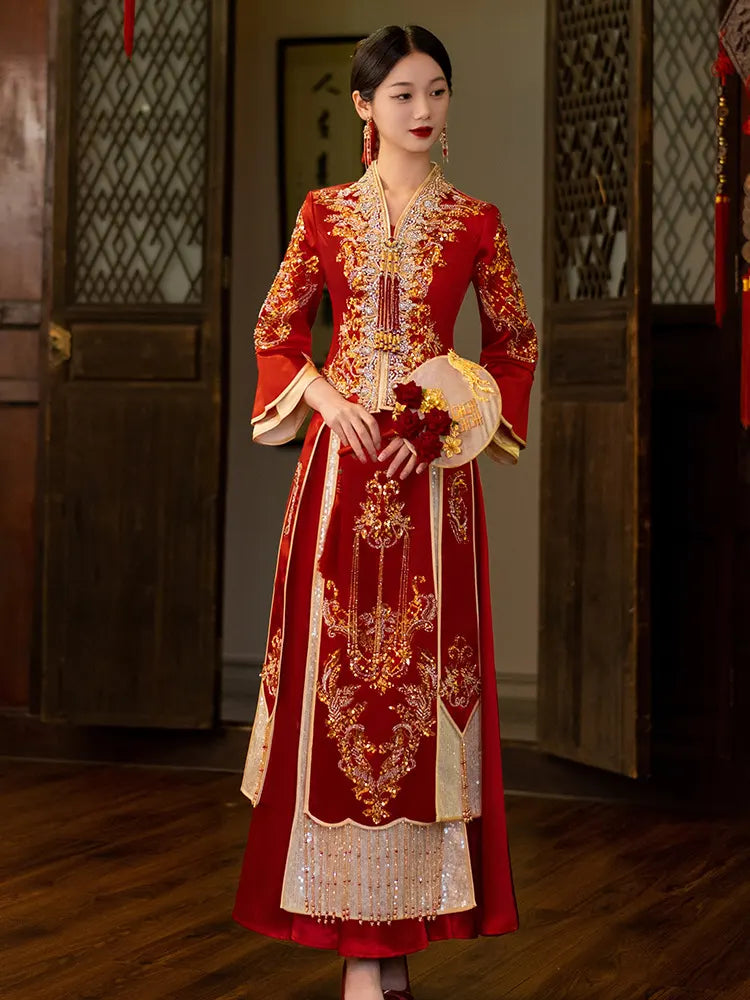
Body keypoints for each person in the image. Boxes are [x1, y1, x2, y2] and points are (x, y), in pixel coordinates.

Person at [232, 24, 538, 1000]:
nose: (422, 109)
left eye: (435, 91)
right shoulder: (324, 215)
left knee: (415, 691)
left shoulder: (477, 221)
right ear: (364, 107)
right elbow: (278, 332)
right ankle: (364, 954)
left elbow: (514, 347)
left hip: (433, 485)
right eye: (401, 93)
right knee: (340, 691)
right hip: (338, 475)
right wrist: (326, 399)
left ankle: (390, 949)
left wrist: (443, 418)